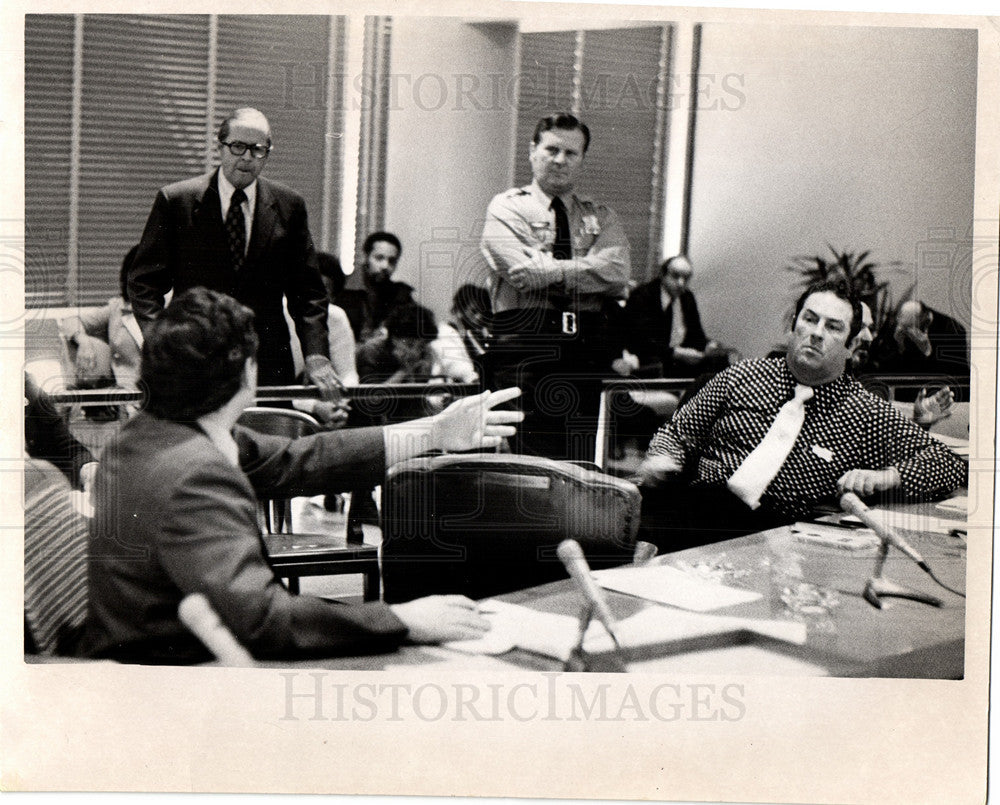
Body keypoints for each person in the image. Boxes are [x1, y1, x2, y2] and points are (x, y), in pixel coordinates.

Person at [82, 288, 522, 664]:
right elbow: (262, 621)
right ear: (247, 372)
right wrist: (403, 620)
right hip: (183, 677)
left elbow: (305, 457)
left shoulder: (146, 436)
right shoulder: (196, 473)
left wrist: (434, 431)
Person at [636, 281, 967, 550]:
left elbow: (946, 463)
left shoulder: (864, 411)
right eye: (810, 319)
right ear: (794, 325)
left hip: (763, 533)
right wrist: (664, 455)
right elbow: (678, 431)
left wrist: (885, 476)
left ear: (852, 346)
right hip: (688, 503)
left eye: (833, 327)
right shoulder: (742, 376)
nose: (817, 332)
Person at [127, 107, 340, 397]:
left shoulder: (290, 206)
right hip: (194, 361)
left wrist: (316, 356)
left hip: (267, 363)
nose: (247, 158)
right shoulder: (177, 201)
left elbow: (308, 293)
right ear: (220, 148)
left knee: (269, 442)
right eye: (238, 147)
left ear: (268, 153)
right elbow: (144, 283)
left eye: (258, 149)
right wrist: (162, 343)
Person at [481, 112, 630, 460]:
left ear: (582, 160)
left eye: (571, 153)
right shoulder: (507, 207)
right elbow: (519, 268)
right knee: (532, 463)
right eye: (551, 150)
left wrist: (551, 272)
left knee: (578, 462)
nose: (560, 160)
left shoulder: (601, 216)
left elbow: (618, 271)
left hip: (584, 348)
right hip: (525, 345)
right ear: (533, 150)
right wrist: (588, 274)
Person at [59, 245, 144, 418]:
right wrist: (83, 341)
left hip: (162, 399)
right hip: (125, 400)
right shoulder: (117, 308)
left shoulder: (175, 308)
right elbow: (69, 321)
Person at [617, 255, 734, 378]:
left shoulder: (687, 297)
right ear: (663, 275)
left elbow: (696, 333)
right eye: (675, 276)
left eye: (686, 278)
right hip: (653, 357)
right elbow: (640, 340)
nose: (681, 283)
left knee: (720, 362)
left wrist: (707, 345)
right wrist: (674, 353)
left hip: (681, 357)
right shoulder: (643, 296)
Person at [870, 299, 970, 387]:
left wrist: (927, 352)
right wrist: (900, 347)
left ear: (925, 320)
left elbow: (955, 373)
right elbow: (883, 366)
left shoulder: (953, 331)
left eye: (909, 328)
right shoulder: (901, 328)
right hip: (903, 388)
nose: (906, 332)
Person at [339, 231, 415, 343]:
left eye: (392, 261)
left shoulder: (400, 295)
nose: (385, 266)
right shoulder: (343, 289)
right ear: (366, 257)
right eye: (379, 258)